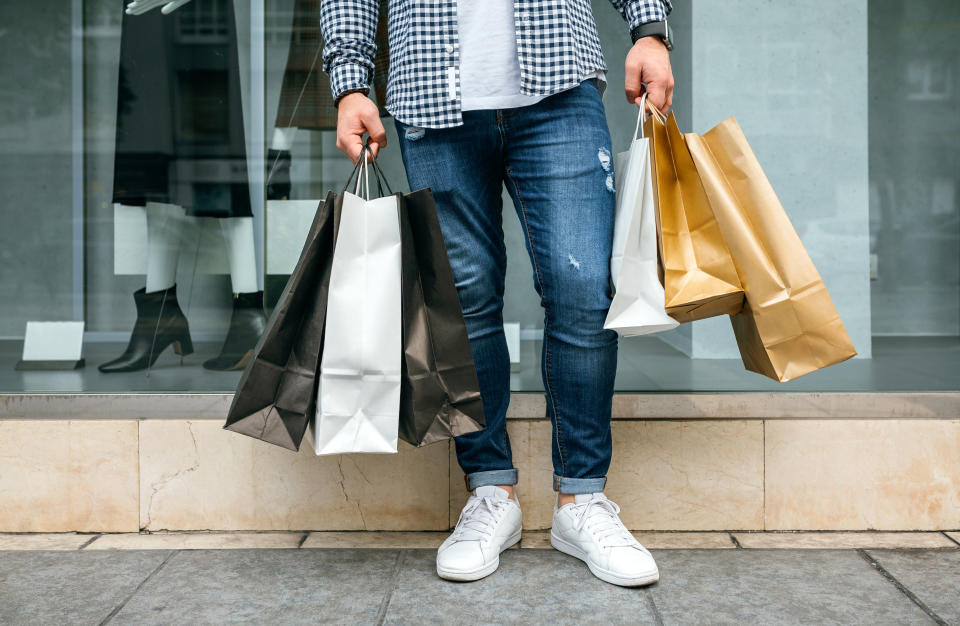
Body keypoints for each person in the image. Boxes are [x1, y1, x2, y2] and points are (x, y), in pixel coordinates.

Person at [321, 0, 675, 587]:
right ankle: (490, 491)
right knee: (463, 300)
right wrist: (350, 81)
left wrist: (650, 29)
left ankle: (582, 501)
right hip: (431, 93)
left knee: (584, 288)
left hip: (559, 85)